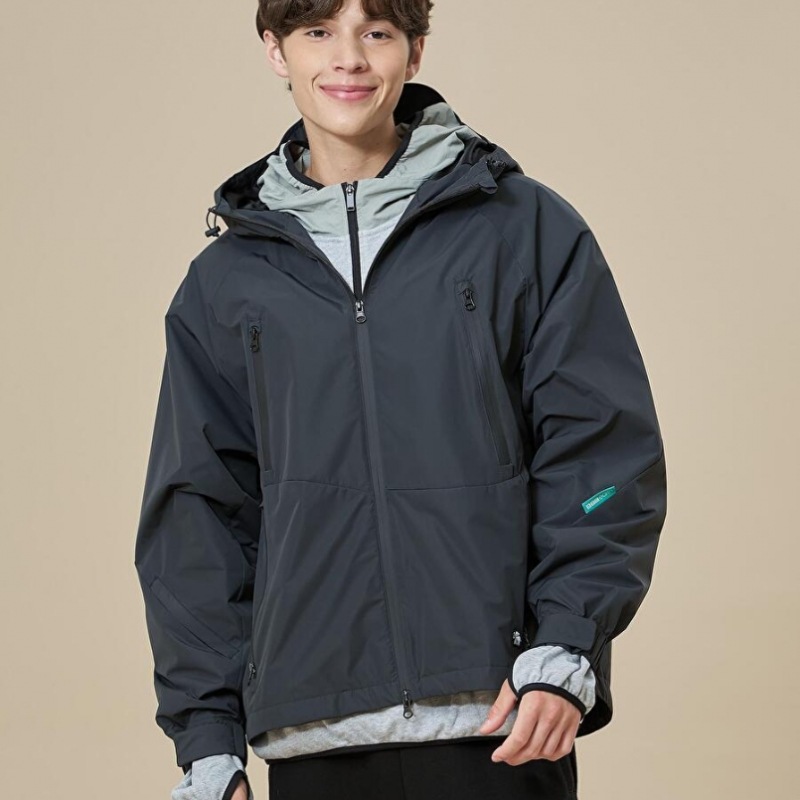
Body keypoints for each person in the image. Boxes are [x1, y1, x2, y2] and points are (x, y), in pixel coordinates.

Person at [133, 1, 668, 798]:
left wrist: (567, 643)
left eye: (376, 32)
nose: (348, 58)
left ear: (414, 52)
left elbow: (603, 458)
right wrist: (207, 740)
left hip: (501, 717)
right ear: (276, 51)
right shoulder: (226, 283)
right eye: (318, 31)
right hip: (314, 730)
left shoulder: (524, 230)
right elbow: (198, 516)